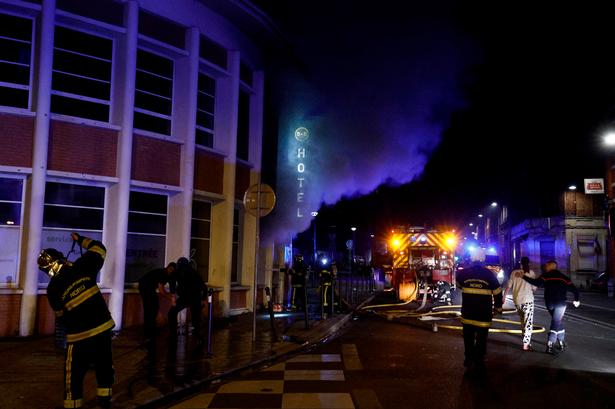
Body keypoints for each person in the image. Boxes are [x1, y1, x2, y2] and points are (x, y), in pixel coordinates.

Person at [40, 233, 114, 409]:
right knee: (104, 364)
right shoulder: (82, 266)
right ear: (61, 258)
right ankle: (104, 400)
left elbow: (61, 317)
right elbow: (99, 248)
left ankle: (73, 404)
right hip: (102, 328)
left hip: (79, 336)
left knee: (73, 373)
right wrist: (80, 239)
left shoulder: (53, 289)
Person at [455, 248, 503, 371]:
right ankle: (479, 360)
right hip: (483, 313)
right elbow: (498, 293)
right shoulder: (489, 274)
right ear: (483, 259)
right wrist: (497, 308)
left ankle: (468, 358)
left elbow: (459, 285)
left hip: (468, 312)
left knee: (468, 337)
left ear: (471, 258)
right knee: (482, 338)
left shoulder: (464, 273)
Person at [521, 259, 580, 354]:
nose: (545, 267)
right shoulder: (564, 278)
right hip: (560, 303)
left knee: (557, 321)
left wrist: (524, 277)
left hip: (549, 303)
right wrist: (576, 300)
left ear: (551, 266)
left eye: (546, 265)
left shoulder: (546, 276)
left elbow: (537, 283)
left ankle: (561, 342)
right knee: (556, 321)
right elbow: (575, 290)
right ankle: (550, 345)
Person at [168, 257, 207, 340]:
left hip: (185, 297)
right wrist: (203, 299)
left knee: (172, 313)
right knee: (196, 318)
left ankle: (173, 334)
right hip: (195, 297)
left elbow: (172, 282)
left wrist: (173, 296)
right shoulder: (194, 272)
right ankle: (197, 336)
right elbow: (204, 287)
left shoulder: (178, 271)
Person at [138, 262, 177, 339]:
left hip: (148, 287)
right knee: (151, 307)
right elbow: (161, 290)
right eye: (171, 269)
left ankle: (149, 329)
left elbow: (172, 285)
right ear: (168, 268)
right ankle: (149, 330)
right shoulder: (162, 273)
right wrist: (170, 297)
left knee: (152, 307)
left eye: (173, 270)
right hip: (145, 286)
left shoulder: (169, 275)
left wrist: (172, 295)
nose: (171, 271)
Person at [506, 256, 537, 351]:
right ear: (529, 263)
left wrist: (503, 298)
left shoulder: (514, 273)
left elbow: (508, 287)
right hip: (528, 300)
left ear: (520, 263)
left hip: (517, 301)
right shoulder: (531, 273)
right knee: (528, 322)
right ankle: (525, 344)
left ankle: (526, 341)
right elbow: (534, 288)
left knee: (523, 321)